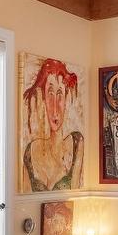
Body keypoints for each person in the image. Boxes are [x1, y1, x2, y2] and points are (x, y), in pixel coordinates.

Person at [22, 57, 83, 192]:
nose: (55, 107)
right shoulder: (29, 153)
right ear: (43, 98)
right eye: (50, 94)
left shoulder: (76, 143)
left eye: (60, 93)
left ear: (67, 98)